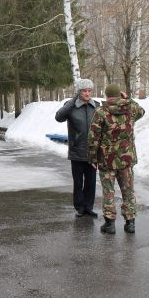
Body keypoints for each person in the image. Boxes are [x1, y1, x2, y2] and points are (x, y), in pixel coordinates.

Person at [87, 83, 145, 234]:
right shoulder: (130, 109)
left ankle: (110, 224)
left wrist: (92, 159)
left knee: (108, 191)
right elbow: (142, 111)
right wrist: (129, 100)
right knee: (128, 191)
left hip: (107, 160)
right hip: (126, 159)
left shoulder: (101, 112)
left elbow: (93, 138)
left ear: (106, 96)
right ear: (120, 95)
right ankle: (130, 223)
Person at [55, 78, 101, 217]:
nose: (87, 93)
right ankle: (79, 207)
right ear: (79, 92)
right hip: (77, 150)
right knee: (78, 182)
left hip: (92, 152)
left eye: (89, 91)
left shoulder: (96, 106)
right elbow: (59, 117)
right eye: (84, 91)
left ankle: (88, 207)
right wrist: (72, 101)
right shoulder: (71, 106)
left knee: (91, 182)